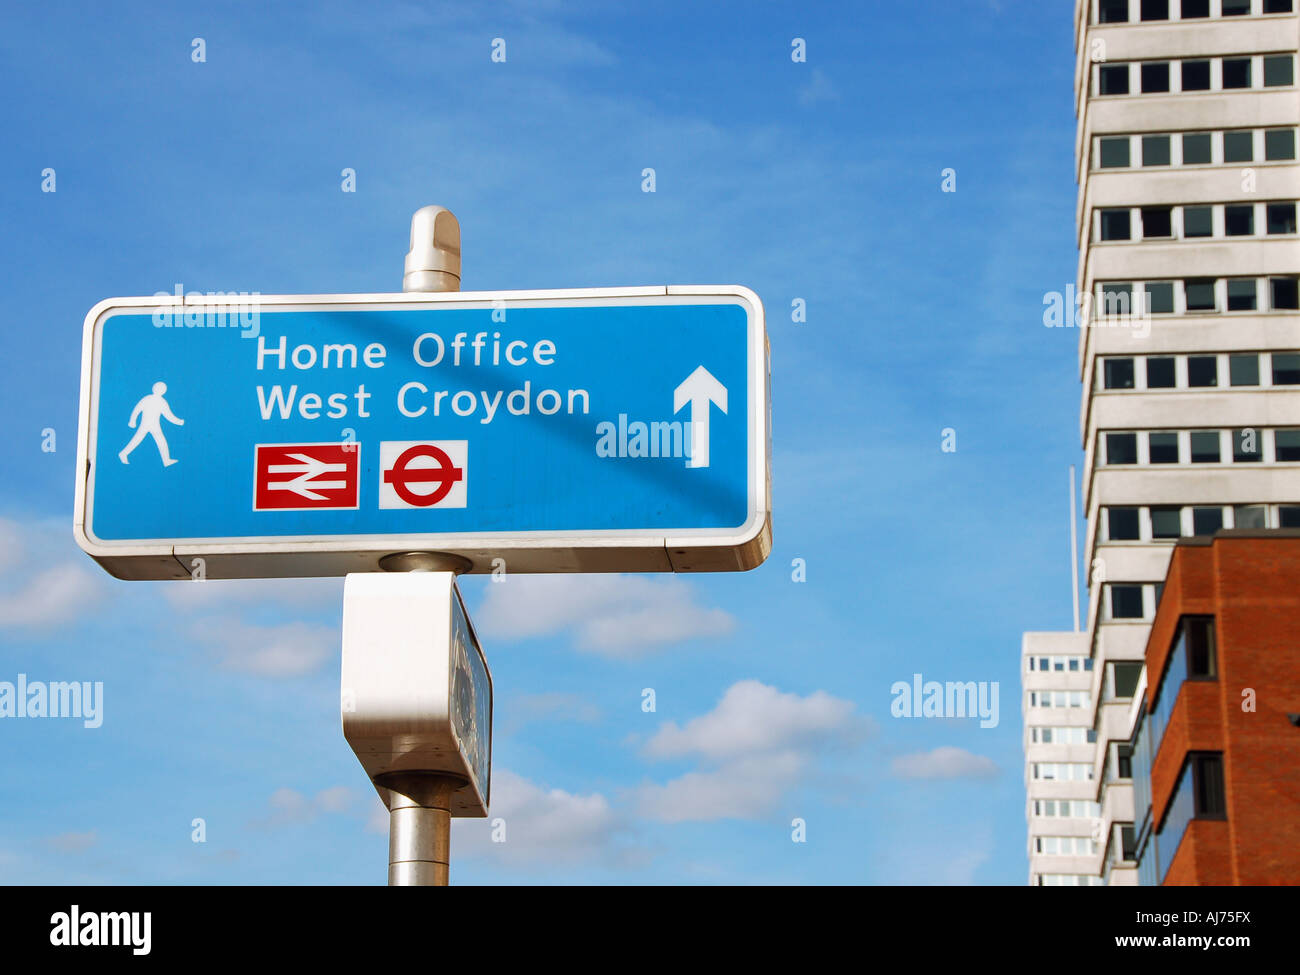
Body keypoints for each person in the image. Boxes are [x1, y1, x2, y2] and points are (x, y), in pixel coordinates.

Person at [119, 382, 184, 466]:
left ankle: (166, 460)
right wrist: (180, 422)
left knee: (156, 440)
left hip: (152, 425)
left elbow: (137, 410)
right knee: (146, 440)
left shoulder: (151, 399)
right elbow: (169, 416)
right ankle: (123, 454)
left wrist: (132, 421)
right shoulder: (159, 401)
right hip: (149, 425)